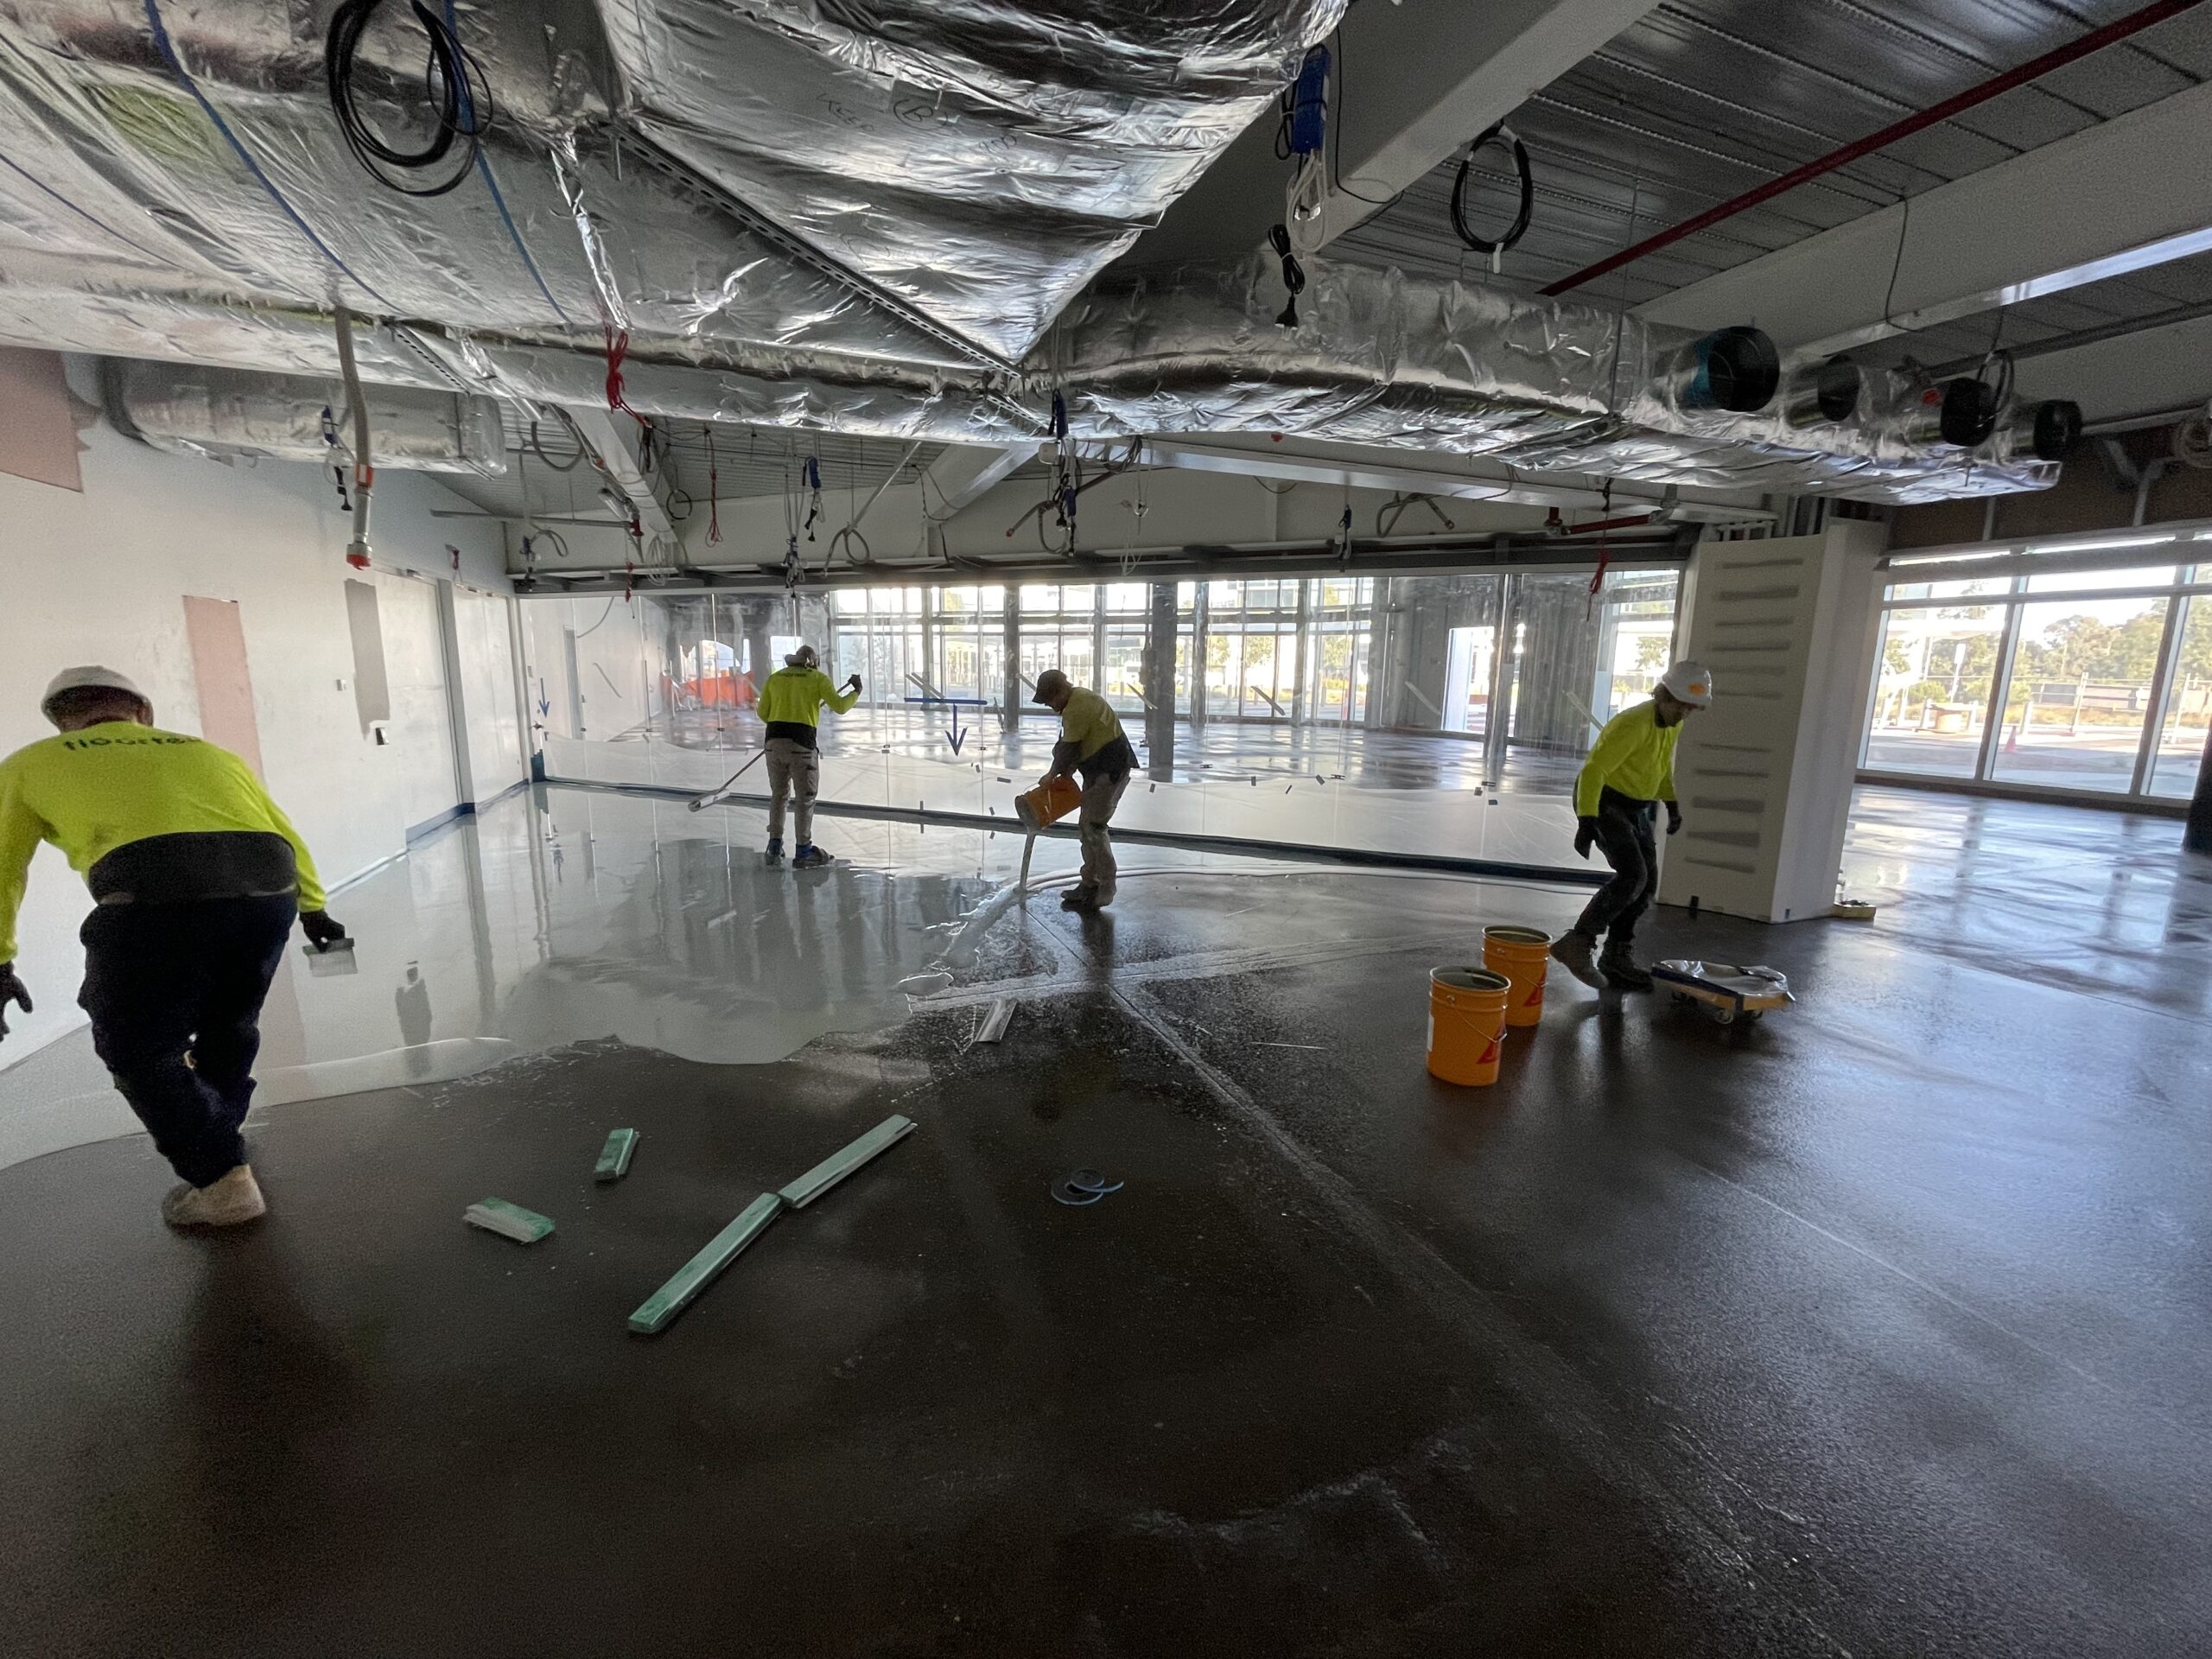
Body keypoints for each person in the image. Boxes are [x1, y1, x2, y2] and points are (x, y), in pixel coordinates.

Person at [0, 666, 348, 1228]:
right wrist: (314, 907)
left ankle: (219, 1178)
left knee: (137, 1045)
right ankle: (220, 1130)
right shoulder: (210, 754)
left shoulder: (30, 762)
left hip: (153, 892)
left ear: (63, 723)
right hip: (267, 888)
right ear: (143, 712)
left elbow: (2, 867)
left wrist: (0, 957)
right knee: (230, 1023)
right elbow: (281, 829)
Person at [1549, 660, 1713, 993]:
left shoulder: (1672, 723)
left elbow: (1661, 766)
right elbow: (1594, 771)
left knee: (1647, 883)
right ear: (1664, 696)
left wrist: (1671, 803)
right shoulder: (1632, 724)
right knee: (1632, 876)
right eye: (1680, 706)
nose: (1684, 714)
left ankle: (1616, 957)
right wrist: (1587, 820)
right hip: (1603, 800)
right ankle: (1578, 943)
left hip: (1635, 805)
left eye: (1690, 709)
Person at [1033, 668, 1136, 911]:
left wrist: (1051, 774)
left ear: (1059, 691)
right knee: (1087, 827)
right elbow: (1072, 748)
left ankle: (1105, 888)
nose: (1049, 706)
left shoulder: (1077, 708)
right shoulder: (1080, 698)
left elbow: (1068, 749)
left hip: (1109, 772)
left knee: (1094, 828)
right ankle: (1090, 884)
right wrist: (1064, 769)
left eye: (1049, 700)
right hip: (1101, 769)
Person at [756, 643, 859, 868]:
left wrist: (782, 726)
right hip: (802, 747)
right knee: (804, 799)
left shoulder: (776, 678)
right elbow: (840, 707)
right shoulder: (817, 678)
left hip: (773, 744)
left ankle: (774, 847)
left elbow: (763, 712)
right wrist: (856, 692)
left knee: (779, 795)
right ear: (813, 662)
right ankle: (803, 851)